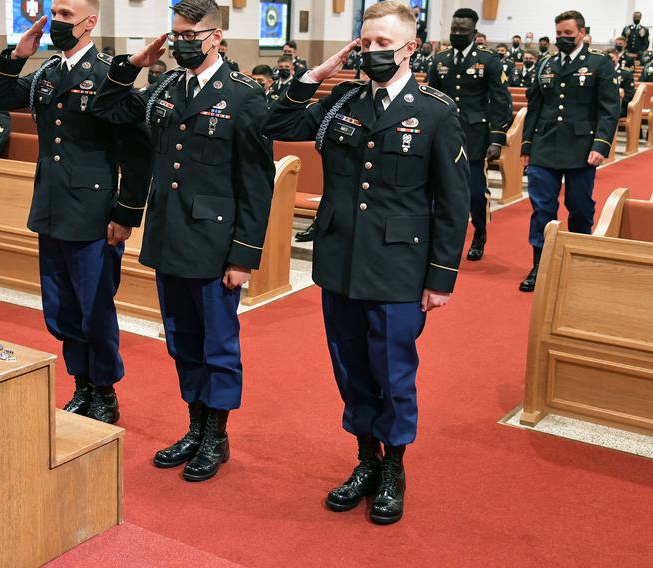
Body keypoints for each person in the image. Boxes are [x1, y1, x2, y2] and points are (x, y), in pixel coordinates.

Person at [264, 0, 468, 525]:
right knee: (350, 367)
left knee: (392, 370)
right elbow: (278, 122)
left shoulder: (436, 111)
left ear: (410, 47)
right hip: (340, 260)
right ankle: (365, 460)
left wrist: (441, 276)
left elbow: (452, 202)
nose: (373, 52)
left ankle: (394, 467)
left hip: (400, 266)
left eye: (384, 43)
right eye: (366, 42)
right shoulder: (343, 102)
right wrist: (316, 74)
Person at [93, 0, 274, 482]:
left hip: (215, 245)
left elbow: (257, 183)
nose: (181, 43)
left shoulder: (244, 96)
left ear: (216, 37)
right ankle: (194, 427)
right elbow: (107, 107)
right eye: (176, 34)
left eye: (191, 35)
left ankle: (217, 435)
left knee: (217, 344)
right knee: (182, 340)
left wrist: (244, 255)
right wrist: (133, 66)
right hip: (170, 234)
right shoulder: (165, 87)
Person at [0, 0, 152, 422]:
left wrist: (126, 213)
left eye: (65, 16)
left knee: (94, 308)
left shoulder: (109, 74)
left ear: (90, 22)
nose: (56, 22)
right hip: (52, 206)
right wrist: (18, 54)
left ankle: (105, 390)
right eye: (53, 14)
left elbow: (136, 151)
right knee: (60, 308)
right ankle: (81, 383)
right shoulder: (47, 72)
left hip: (93, 211)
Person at [519, 10, 619, 292]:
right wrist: (527, 145)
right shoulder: (546, 63)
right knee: (542, 209)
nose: (562, 38)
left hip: (581, 149)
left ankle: (578, 262)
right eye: (559, 34)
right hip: (545, 147)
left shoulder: (599, 63)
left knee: (580, 208)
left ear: (582, 33)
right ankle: (540, 264)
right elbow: (535, 107)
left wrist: (601, 146)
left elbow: (609, 109)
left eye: (568, 34)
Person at [429, 8, 512, 262]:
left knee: (475, 193)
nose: (457, 34)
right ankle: (439, 237)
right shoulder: (440, 59)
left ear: (474, 33)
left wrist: (497, 137)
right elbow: (430, 97)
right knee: (438, 190)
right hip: (444, 136)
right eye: (454, 30)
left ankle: (480, 232)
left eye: (462, 31)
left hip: (476, 136)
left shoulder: (489, 60)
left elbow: (501, 101)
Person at [608, 48, 635, 118]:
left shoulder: (626, 74)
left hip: (620, 106)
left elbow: (629, 95)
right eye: (607, 58)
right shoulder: (603, 73)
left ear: (618, 58)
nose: (610, 60)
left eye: (612, 58)